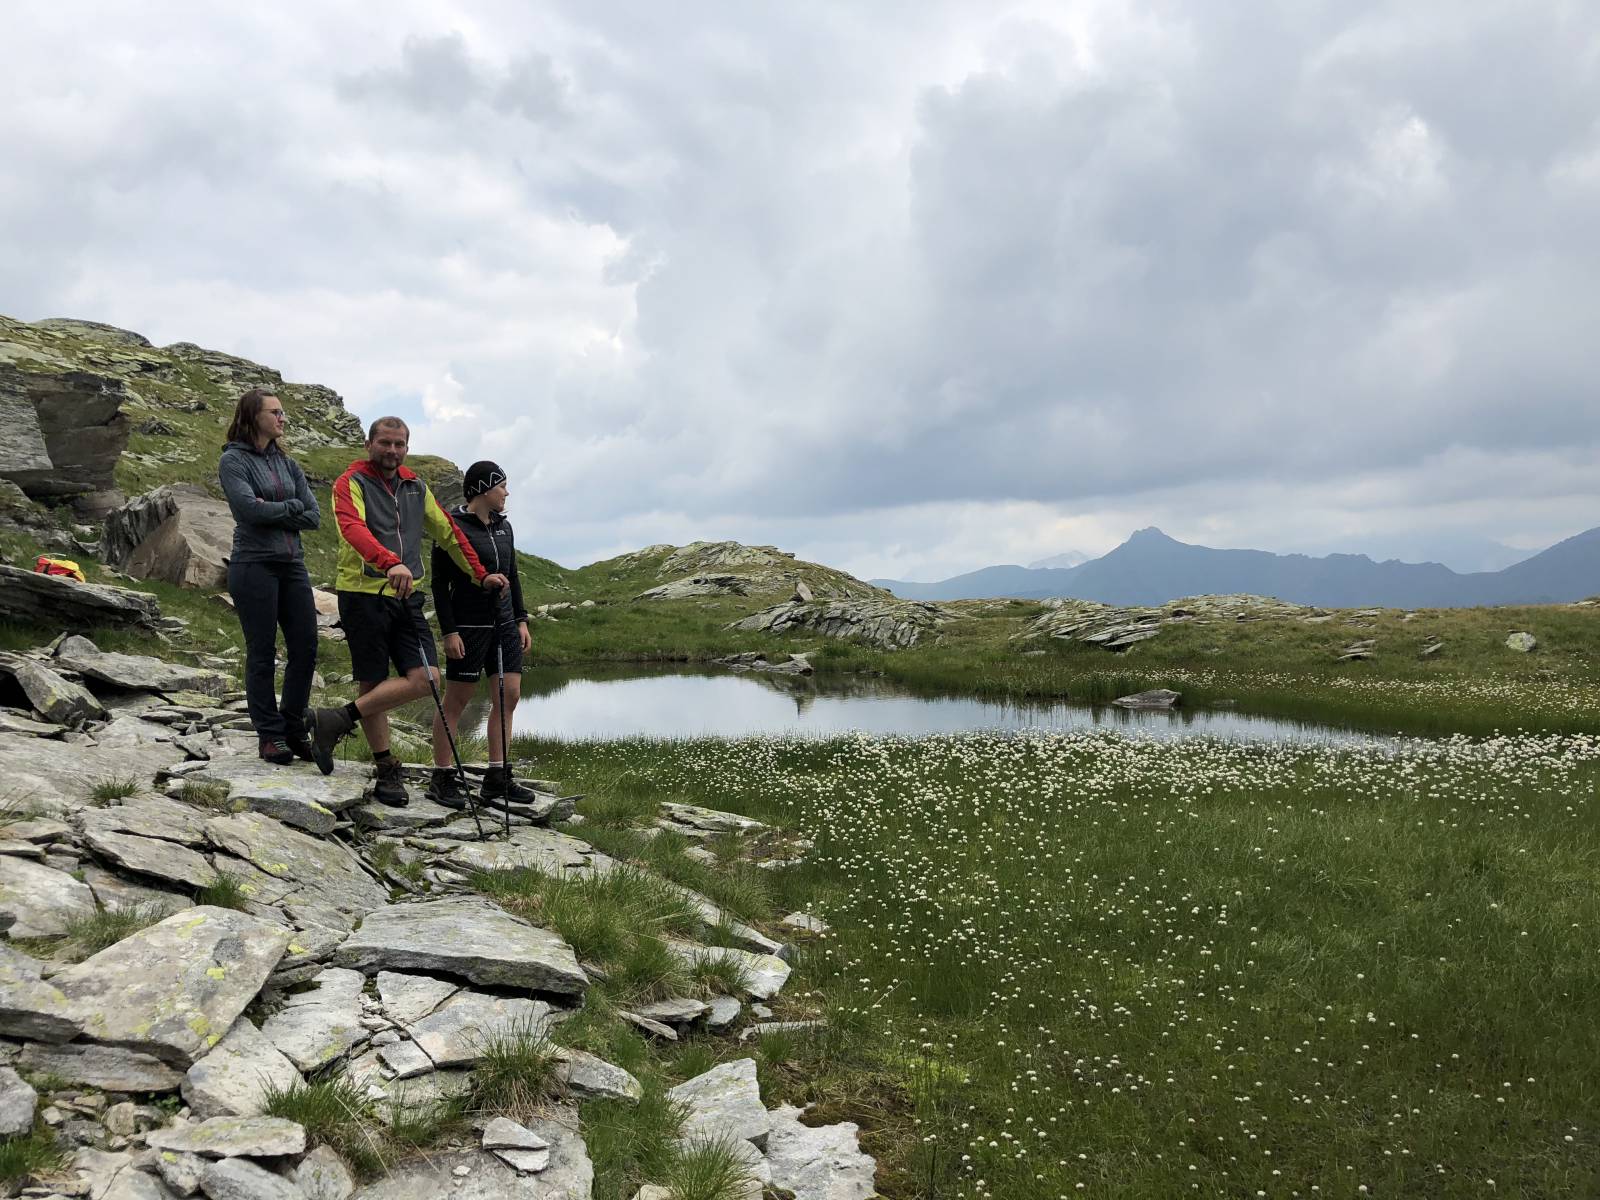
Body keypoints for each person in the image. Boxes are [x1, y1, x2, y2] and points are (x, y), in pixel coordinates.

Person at [301, 417, 508, 805]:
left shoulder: (416, 486)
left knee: (428, 678)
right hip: (363, 594)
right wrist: (387, 561)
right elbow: (351, 528)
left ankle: (336, 719)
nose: (392, 450)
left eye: (399, 444)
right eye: (385, 443)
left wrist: (481, 577)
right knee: (372, 682)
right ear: (369, 444)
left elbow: (449, 532)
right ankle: (386, 769)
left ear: (407, 448)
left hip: (407, 596)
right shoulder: (350, 483)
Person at [218, 388, 321, 765]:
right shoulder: (233, 462)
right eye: (274, 412)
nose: (282, 419)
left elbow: (313, 516)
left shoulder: (288, 464)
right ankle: (269, 735)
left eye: (282, 413)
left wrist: (276, 508)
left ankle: (293, 728)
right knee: (262, 652)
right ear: (253, 417)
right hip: (253, 564)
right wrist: (290, 507)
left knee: (306, 647)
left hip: (292, 564)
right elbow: (246, 510)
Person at [427, 460, 535, 810]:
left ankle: (497, 777)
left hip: (504, 624)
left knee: (510, 695)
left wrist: (521, 619)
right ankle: (442, 775)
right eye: (502, 485)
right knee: (457, 700)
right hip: (469, 627)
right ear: (483, 489)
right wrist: (449, 631)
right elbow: (439, 586)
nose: (506, 492)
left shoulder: (505, 528)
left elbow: (513, 575)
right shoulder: (452, 527)